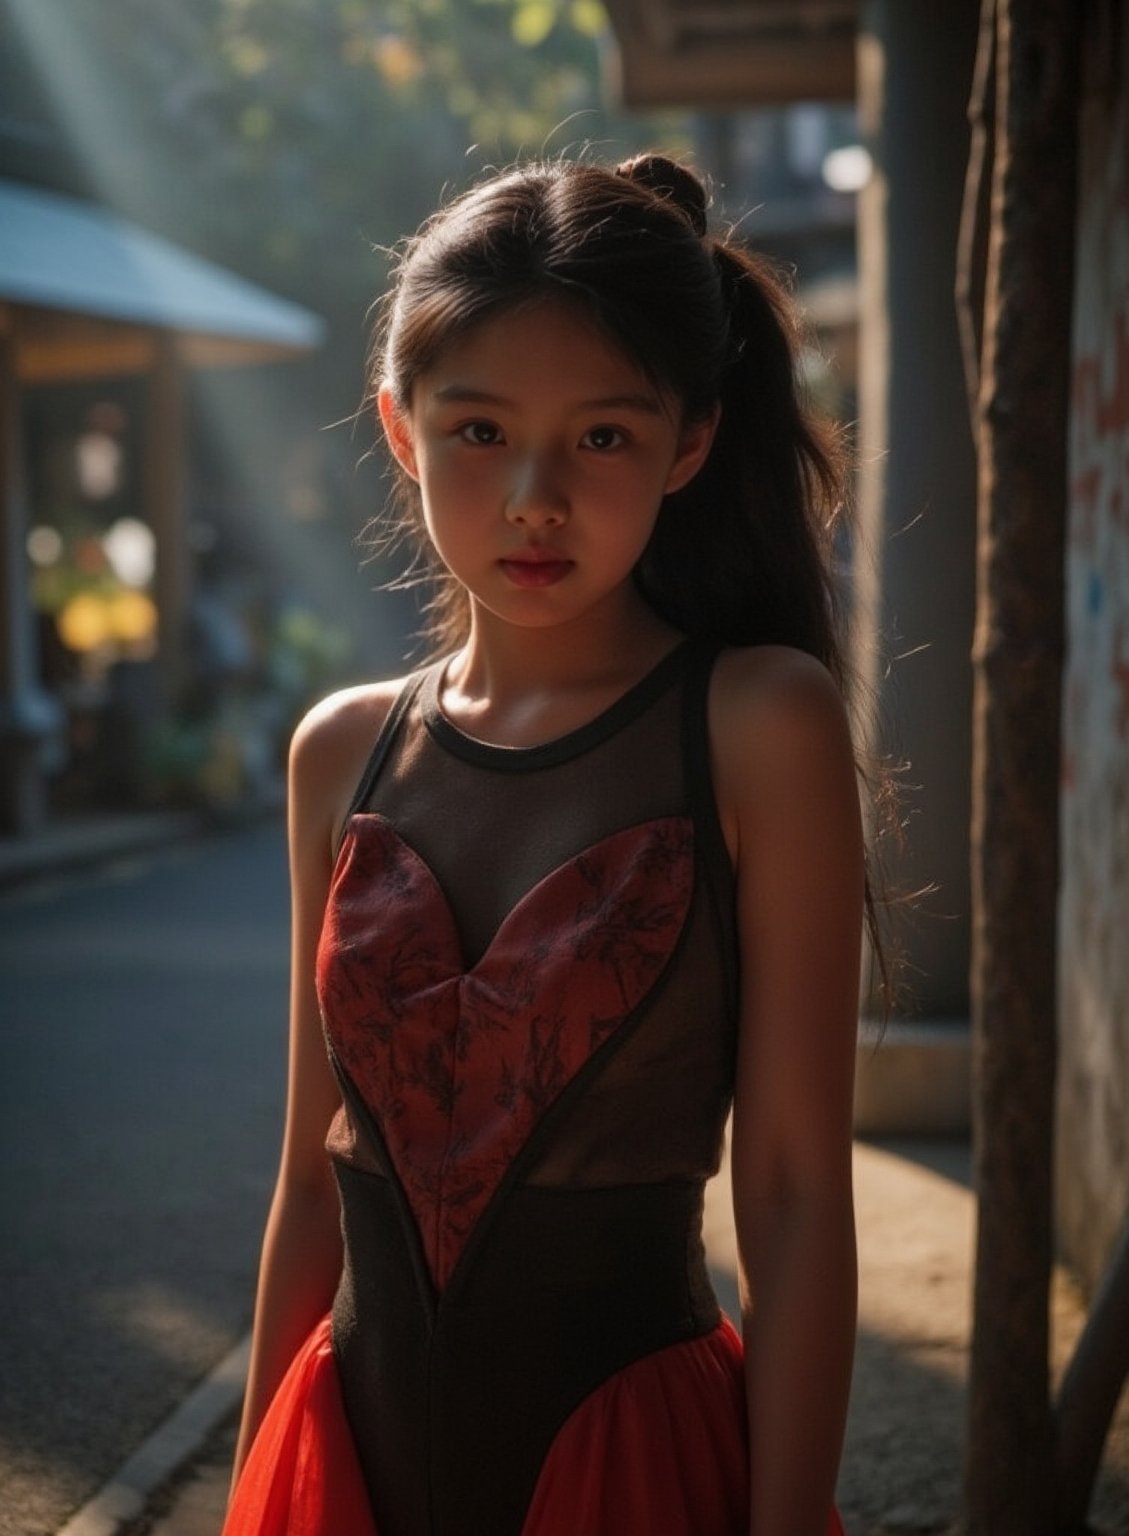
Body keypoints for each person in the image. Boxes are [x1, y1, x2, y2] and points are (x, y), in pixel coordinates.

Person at [224, 152, 871, 1536]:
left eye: (601, 437)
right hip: (348, 1467)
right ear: (401, 430)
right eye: (479, 432)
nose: (534, 497)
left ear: (688, 442)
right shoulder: (342, 753)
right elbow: (309, 1180)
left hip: (635, 1475)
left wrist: (789, 1515)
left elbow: (799, 1188)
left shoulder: (757, 724)